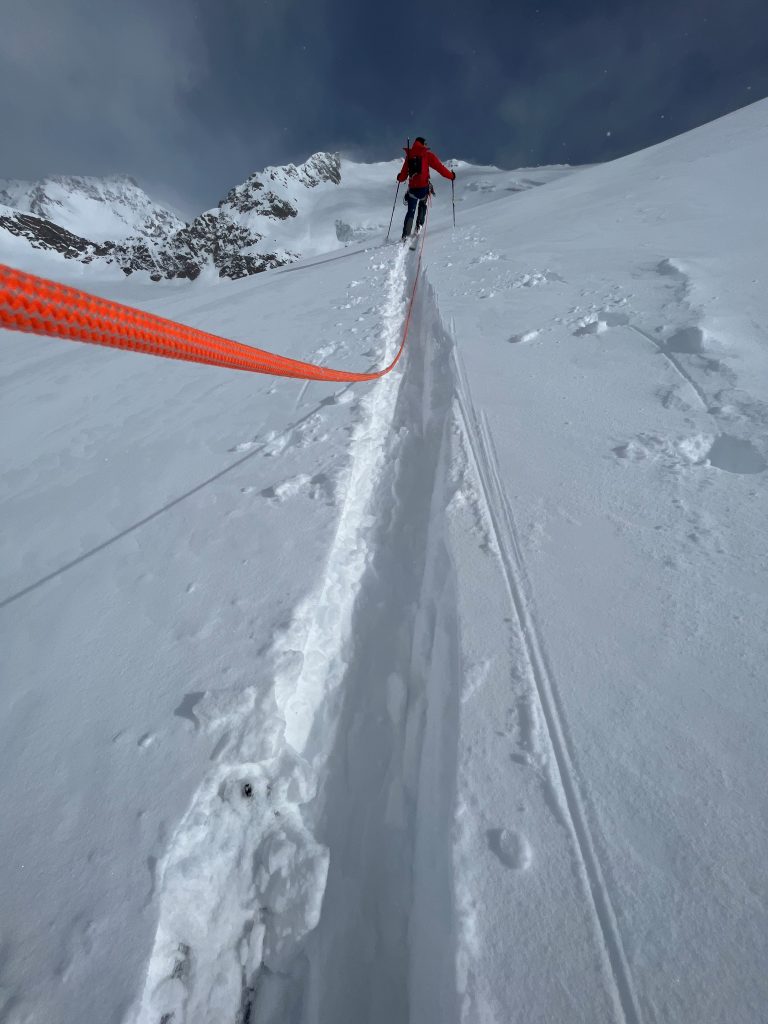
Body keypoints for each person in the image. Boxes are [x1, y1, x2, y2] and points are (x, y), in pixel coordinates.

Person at [397, 137, 455, 241]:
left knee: (410, 211)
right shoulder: (427, 155)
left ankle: (405, 235)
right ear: (423, 144)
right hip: (423, 188)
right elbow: (440, 168)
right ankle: (419, 226)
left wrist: (399, 177)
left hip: (412, 190)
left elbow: (403, 176)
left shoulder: (409, 156)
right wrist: (451, 176)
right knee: (423, 205)